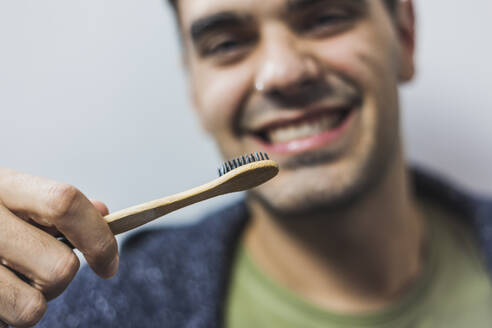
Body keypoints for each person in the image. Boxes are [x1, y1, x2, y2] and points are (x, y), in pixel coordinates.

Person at [0, 0, 491, 327]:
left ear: (403, 34)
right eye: (227, 44)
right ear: (194, 88)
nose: (282, 72)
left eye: (324, 17)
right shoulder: (96, 313)